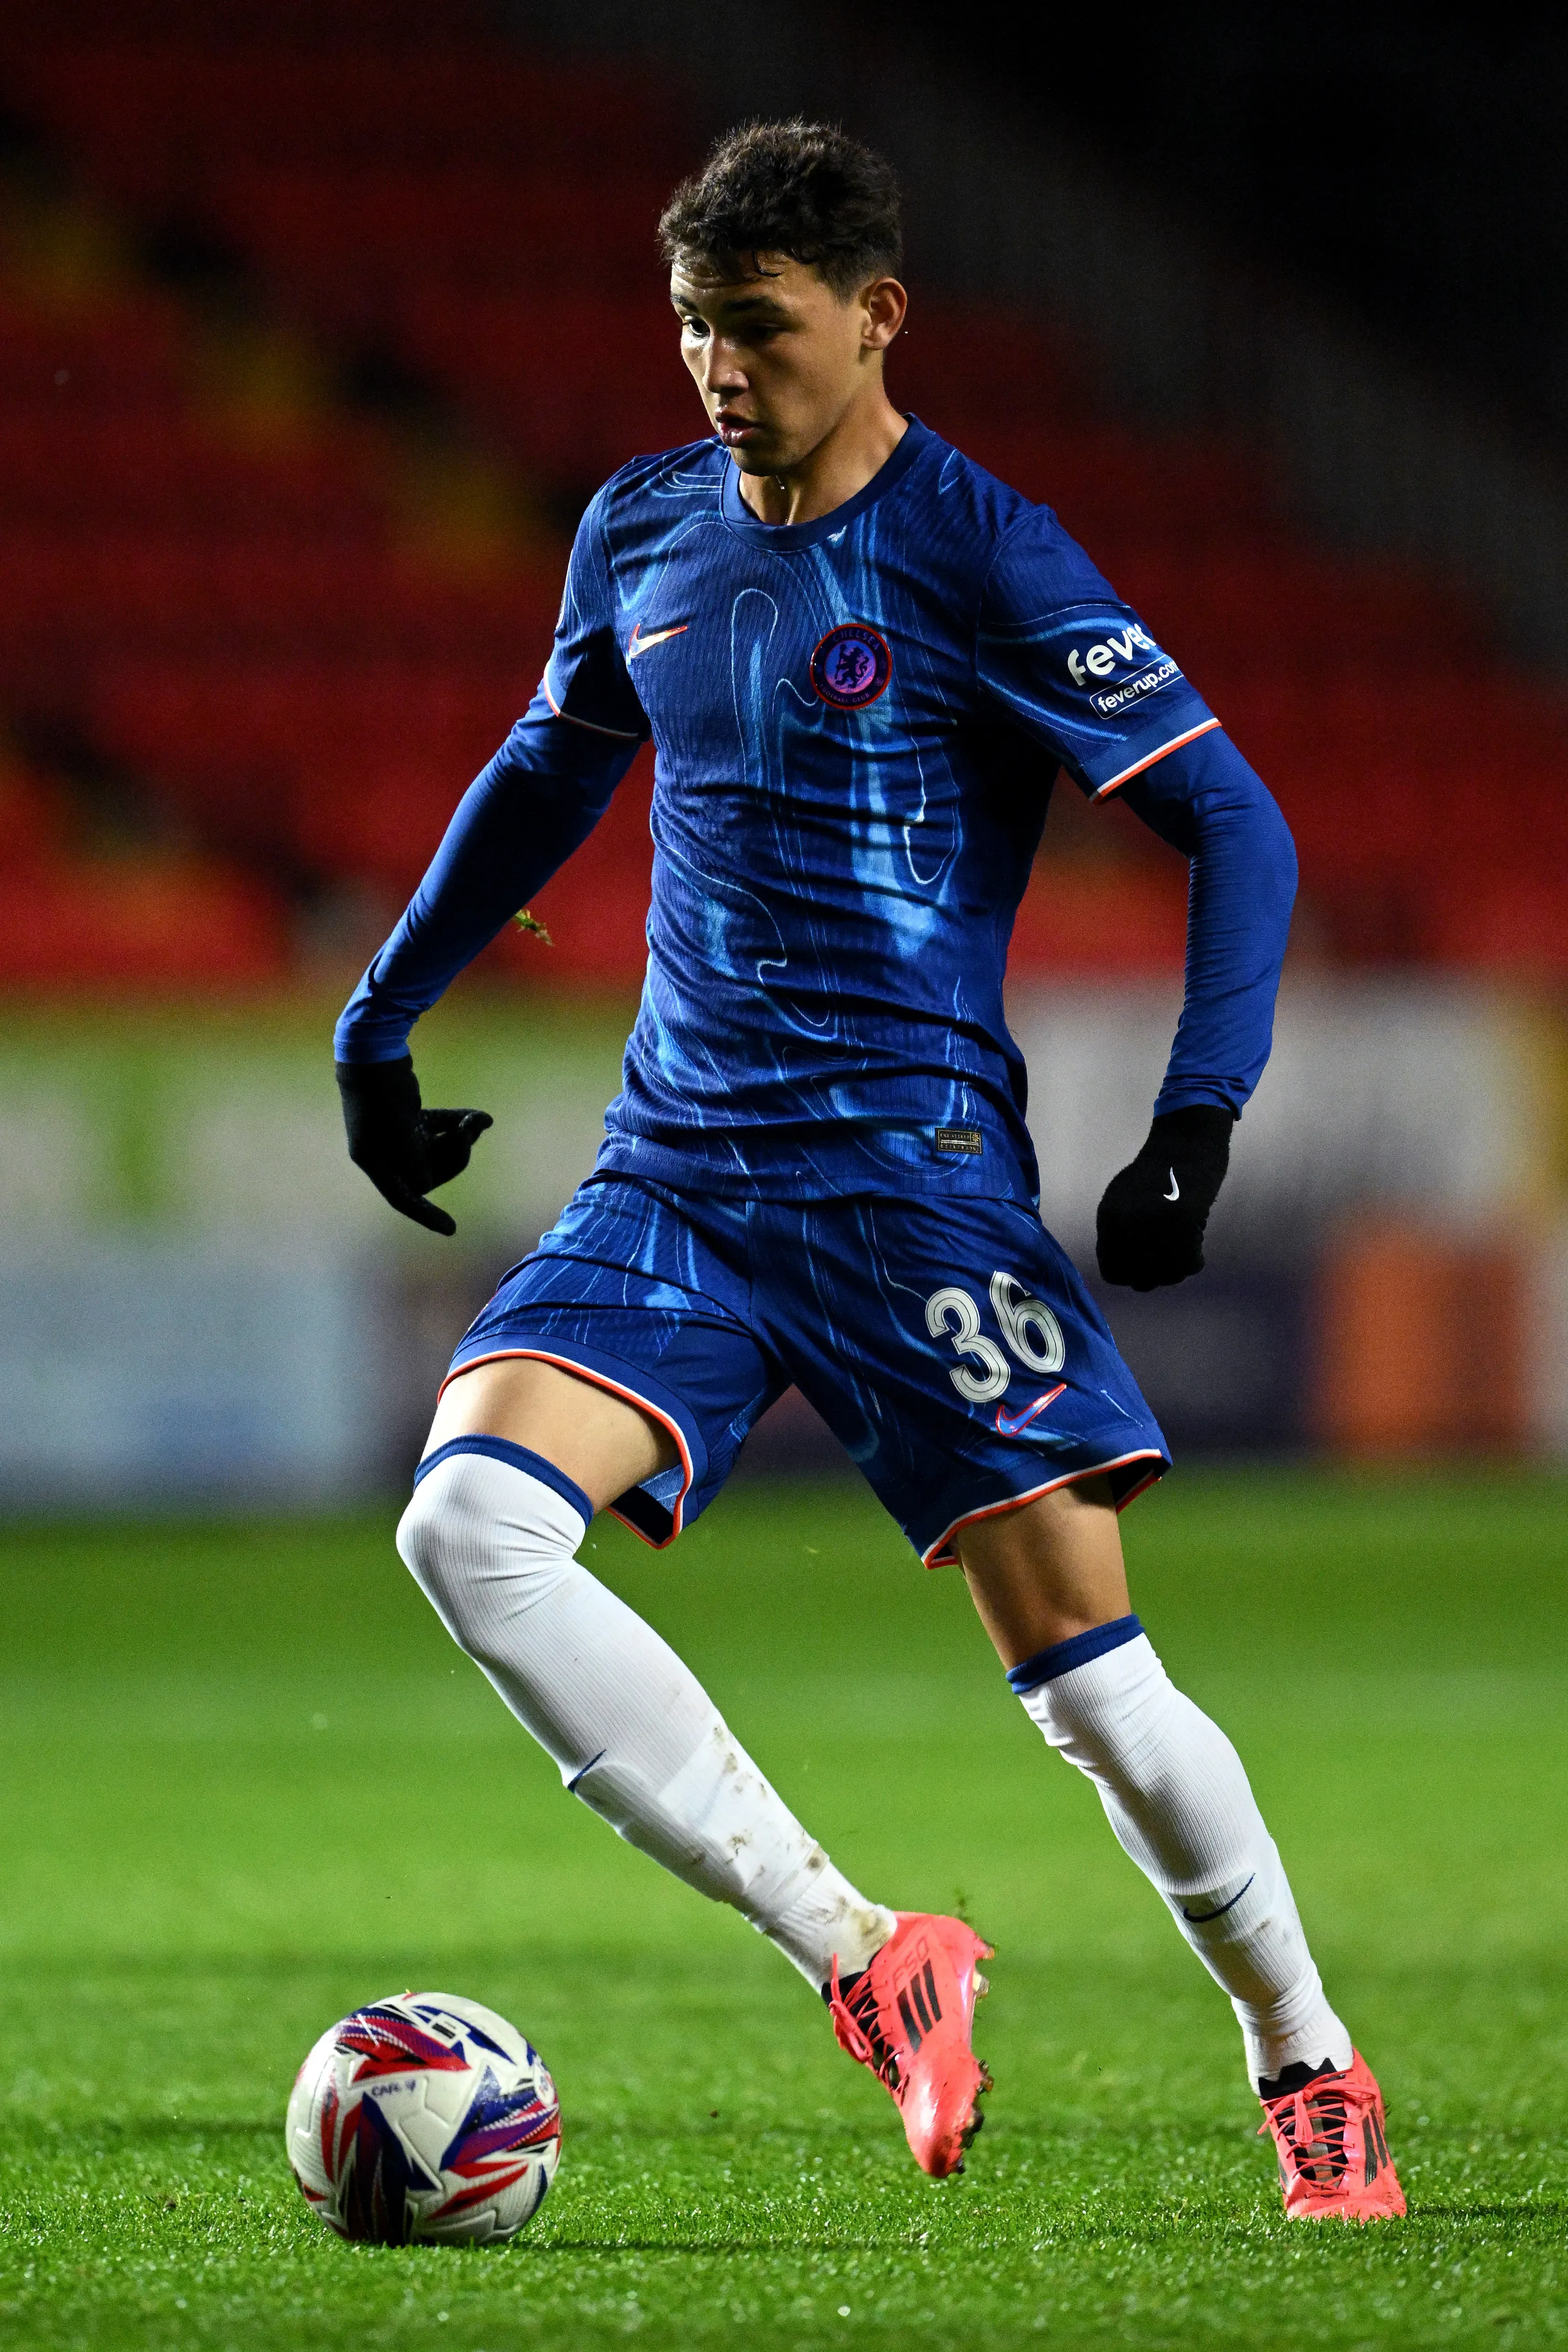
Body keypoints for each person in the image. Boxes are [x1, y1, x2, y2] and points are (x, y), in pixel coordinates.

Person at [334, 119, 1402, 2219]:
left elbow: (1236, 826)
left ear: (876, 315)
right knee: (465, 1526)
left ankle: (1307, 2059)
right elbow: (547, 768)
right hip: (680, 1170)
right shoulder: (639, 525)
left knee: (1094, 1690)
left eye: (757, 328)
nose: (718, 370)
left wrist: (1197, 1119)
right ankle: (866, 1953)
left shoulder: (981, 550)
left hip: (909, 1186)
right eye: (688, 328)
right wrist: (381, 1016)